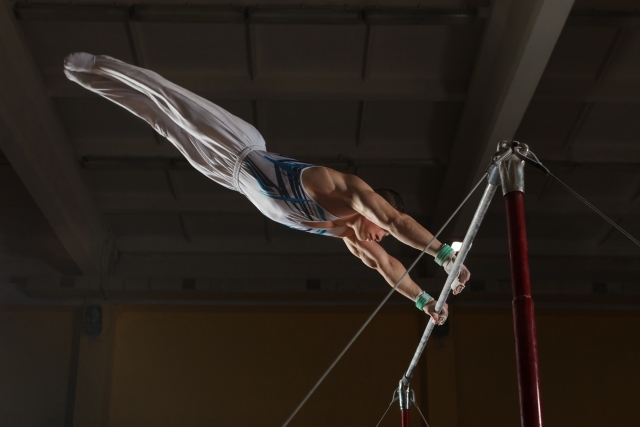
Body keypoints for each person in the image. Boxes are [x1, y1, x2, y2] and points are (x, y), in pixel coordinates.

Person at [64, 53, 470, 325]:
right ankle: (98, 63)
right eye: (380, 232)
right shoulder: (346, 192)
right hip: (240, 145)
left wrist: (424, 301)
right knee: (173, 103)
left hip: (227, 177)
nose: (380, 239)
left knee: (160, 122)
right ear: (374, 209)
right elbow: (397, 221)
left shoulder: (346, 234)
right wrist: (445, 255)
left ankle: (91, 82)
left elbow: (389, 268)